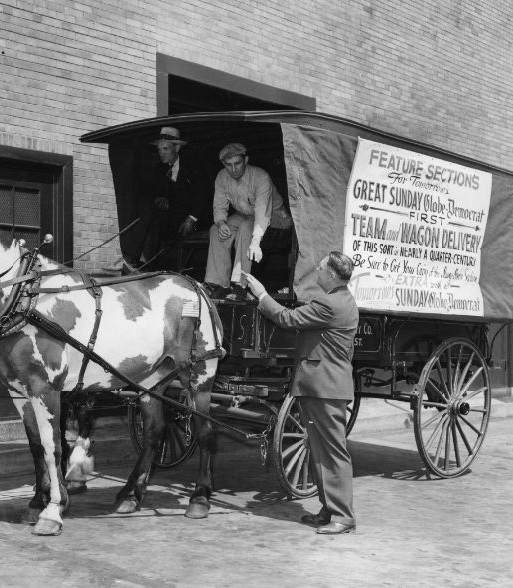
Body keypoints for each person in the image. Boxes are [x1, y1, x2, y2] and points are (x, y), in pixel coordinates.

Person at [243, 251, 359, 535]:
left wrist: (261, 294)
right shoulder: (343, 300)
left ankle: (343, 516)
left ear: (331, 275)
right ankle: (329, 509)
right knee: (319, 451)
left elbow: (286, 318)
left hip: (325, 388)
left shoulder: (328, 303)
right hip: (319, 386)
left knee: (332, 452)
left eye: (320, 268)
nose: (316, 272)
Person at [109, 126, 209, 272]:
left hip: (192, 220)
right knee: (148, 212)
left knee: (152, 217)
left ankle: (133, 260)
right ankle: (136, 261)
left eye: (165, 149)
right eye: (159, 149)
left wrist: (192, 218)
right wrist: (161, 198)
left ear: (177, 149)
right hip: (171, 217)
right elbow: (157, 192)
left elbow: (203, 194)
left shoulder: (192, 166)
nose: (161, 153)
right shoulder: (160, 169)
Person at [204, 142, 291, 300]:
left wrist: (256, 241)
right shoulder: (222, 177)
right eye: (228, 165)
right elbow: (219, 206)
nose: (233, 169)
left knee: (246, 227)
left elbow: (262, 211)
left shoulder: (260, 176)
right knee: (216, 230)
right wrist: (221, 223)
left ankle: (240, 285)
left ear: (246, 160)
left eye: (237, 163)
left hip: (276, 215)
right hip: (245, 215)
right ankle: (218, 284)